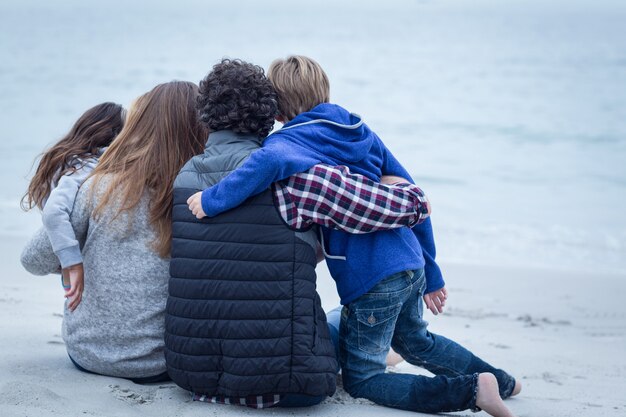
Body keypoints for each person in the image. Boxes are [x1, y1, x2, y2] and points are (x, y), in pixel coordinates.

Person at [186, 56, 520, 416]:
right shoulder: (361, 131)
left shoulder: (292, 140)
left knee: (364, 377)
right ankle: (501, 381)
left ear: (278, 106)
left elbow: (263, 165)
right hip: (409, 262)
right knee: (418, 342)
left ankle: (471, 392)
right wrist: (432, 271)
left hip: (371, 276)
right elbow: (411, 193)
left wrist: (211, 200)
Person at [166, 59, 431, 409]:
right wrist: (415, 197)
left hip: (190, 375)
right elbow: (386, 208)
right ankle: (394, 359)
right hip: (289, 380)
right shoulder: (297, 176)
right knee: (343, 317)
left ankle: (383, 353)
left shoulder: (184, 177)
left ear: (206, 115)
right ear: (270, 115)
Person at [20, 81, 207, 383]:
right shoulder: (204, 197)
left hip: (88, 353)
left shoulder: (99, 186)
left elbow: (32, 260)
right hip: (164, 361)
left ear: (139, 125)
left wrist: (88, 258)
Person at [21, 102, 125, 310]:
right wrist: (72, 261)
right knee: (78, 297)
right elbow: (54, 213)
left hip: (63, 241)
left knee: (74, 296)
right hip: (73, 247)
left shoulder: (63, 159)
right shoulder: (85, 166)